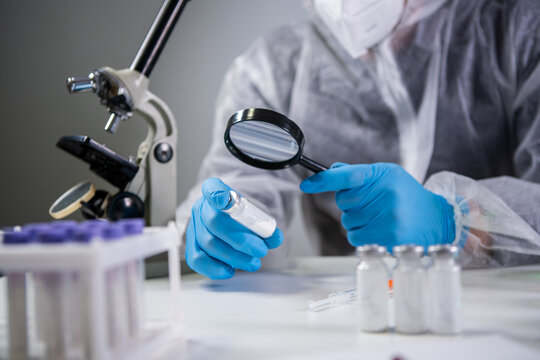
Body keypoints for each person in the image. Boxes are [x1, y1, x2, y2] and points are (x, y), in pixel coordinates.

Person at [176, 0, 540, 279]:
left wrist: (455, 221)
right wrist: (232, 225)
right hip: (356, 312)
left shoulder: (522, 30)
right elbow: (246, 185)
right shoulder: (273, 67)